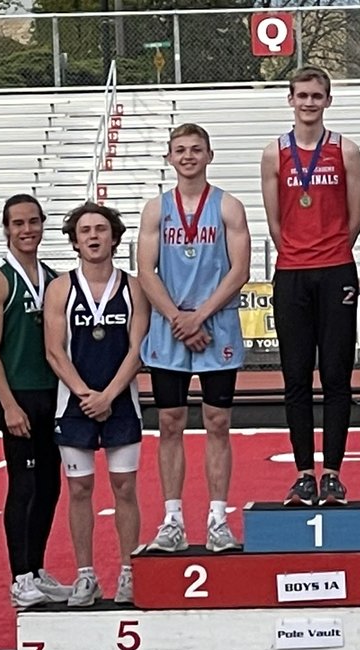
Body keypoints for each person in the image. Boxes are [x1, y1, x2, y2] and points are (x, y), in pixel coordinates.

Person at [138, 124, 252, 554]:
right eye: (180, 150)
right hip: (169, 328)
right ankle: (172, 519)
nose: (188, 156)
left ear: (209, 155)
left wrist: (199, 316)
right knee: (170, 423)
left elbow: (239, 270)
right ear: (169, 157)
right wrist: (177, 318)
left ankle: (218, 518)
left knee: (217, 423)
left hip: (216, 323)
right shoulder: (156, 210)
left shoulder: (228, 206)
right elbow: (146, 270)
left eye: (196, 149)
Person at [260, 65, 360, 506]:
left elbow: (355, 216)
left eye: (316, 96)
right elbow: (274, 221)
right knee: (296, 377)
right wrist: (299, 254)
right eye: (301, 95)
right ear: (290, 99)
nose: (308, 103)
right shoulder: (273, 153)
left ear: (328, 100)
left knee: (337, 377)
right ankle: (305, 472)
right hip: (292, 273)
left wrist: (331, 250)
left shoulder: (346, 150)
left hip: (337, 268)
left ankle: (334, 474)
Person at [44, 203, 150, 606]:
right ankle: (85, 575)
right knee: (80, 489)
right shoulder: (61, 288)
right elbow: (54, 351)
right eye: (85, 230)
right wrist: (87, 395)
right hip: (74, 403)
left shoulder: (133, 286)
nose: (93, 236)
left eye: (100, 229)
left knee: (125, 487)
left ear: (114, 237)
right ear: (74, 240)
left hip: (122, 402)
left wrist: (109, 395)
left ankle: (128, 571)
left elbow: (138, 349)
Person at [0, 195, 71, 608]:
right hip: (18, 395)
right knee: (24, 484)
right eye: (18, 224)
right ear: (7, 229)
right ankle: (19, 577)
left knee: (50, 485)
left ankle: (36, 568)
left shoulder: (52, 278)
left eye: (33, 222)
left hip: (52, 394)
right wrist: (8, 404)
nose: (27, 229)